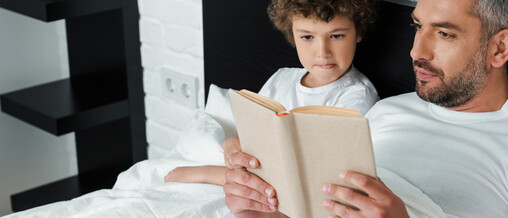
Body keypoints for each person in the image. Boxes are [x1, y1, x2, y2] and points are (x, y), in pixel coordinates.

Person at [222, 0, 508, 218]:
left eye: (444, 33)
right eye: (418, 27)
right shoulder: (386, 111)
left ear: (499, 48)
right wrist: (263, 217)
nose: (417, 51)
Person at [163, 0, 380, 186]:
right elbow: (253, 141)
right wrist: (232, 144)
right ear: (292, 36)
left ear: (358, 32)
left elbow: (313, 176)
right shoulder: (281, 78)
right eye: (307, 37)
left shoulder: (356, 98)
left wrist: (208, 173)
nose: (322, 52)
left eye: (336, 36)